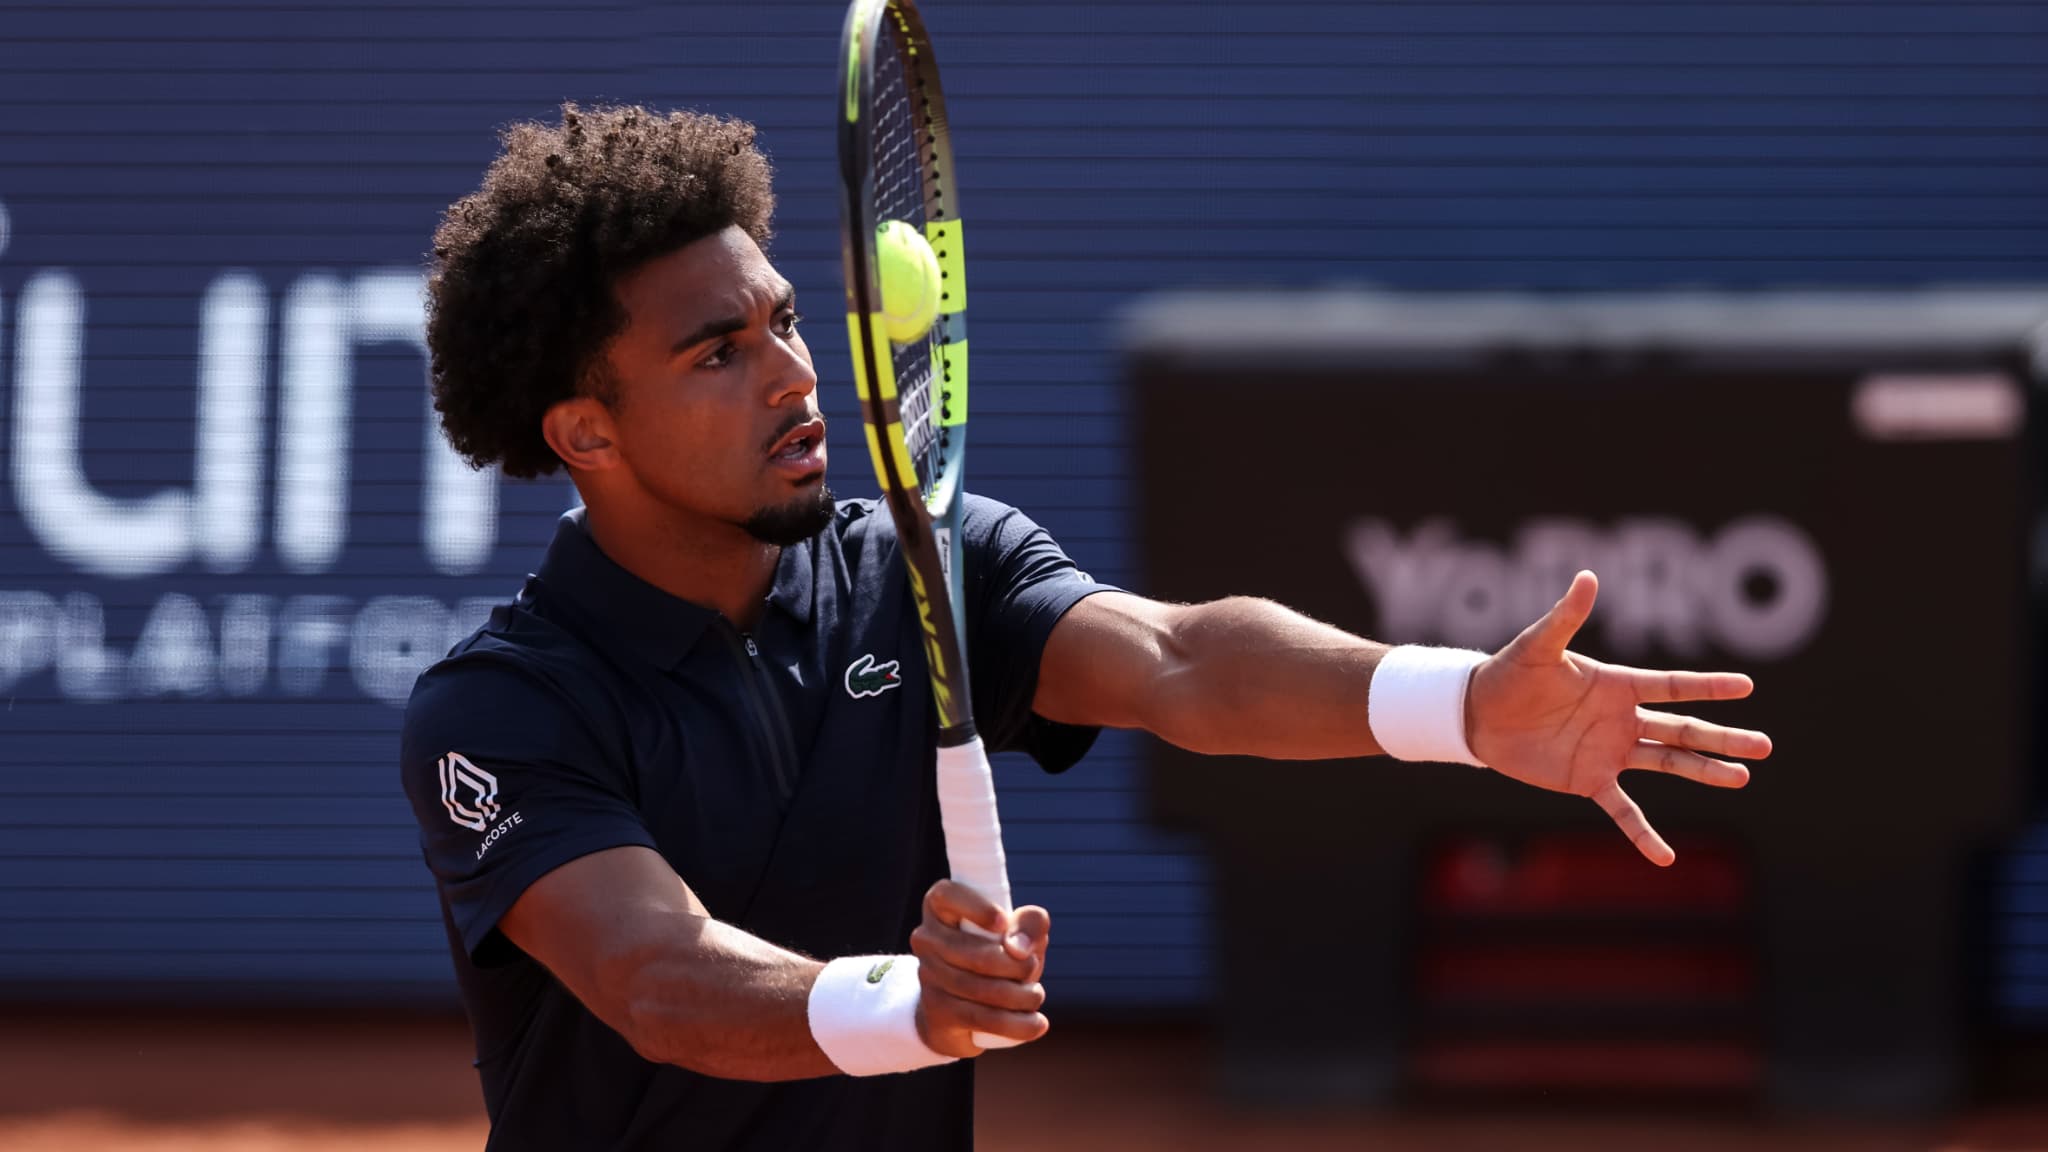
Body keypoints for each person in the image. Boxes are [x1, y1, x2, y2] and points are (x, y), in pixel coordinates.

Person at [400, 104, 1771, 1152]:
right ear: (586, 433)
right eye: (719, 353)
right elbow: (656, 976)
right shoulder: (503, 709)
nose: (796, 375)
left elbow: (1184, 660)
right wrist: (905, 1009)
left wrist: (1455, 704)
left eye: (787, 321)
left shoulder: (929, 564)